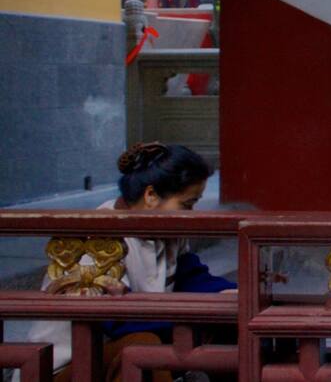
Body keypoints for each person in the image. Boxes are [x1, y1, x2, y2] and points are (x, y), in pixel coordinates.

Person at [28, 142, 234, 381]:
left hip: (131, 338)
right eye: (186, 204)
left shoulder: (168, 232)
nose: (191, 213)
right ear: (151, 195)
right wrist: (188, 314)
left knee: (226, 322)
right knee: (144, 348)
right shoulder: (99, 235)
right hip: (69, 366)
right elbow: (118, 321)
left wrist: (228, 293)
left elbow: (190, 277)